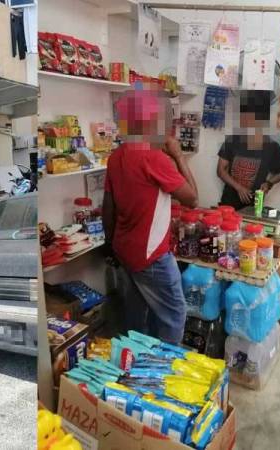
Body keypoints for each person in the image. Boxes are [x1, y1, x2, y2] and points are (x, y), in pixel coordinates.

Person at [102, 85, 198, 344]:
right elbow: (192, 198)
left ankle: (135, 363)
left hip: (125, 250)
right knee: (175, 315)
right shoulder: (155, 159)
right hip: (151, 256)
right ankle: (160, 371)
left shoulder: (116, 156)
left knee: (137, 315)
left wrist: (110, 245)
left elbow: (107, 206)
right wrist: (178, 154)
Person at [217, 90, 280, 210]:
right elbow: (220, 170)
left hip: (254, 208)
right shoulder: (232, 140)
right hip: (229, 206)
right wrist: (239, 188)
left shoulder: (271, 147)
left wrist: (269, 184)